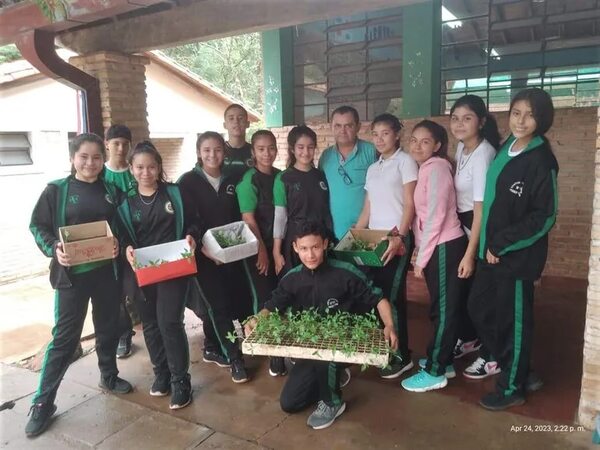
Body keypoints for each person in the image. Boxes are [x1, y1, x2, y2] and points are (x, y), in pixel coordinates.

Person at [26, 133, 133, 437]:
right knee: (64, 338)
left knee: (108, 326)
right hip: (72, 277)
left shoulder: (111, 191)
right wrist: (54, 249)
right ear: (73, 158)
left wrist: (118, 245)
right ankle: (42, 402)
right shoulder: (56, 191)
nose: (90, 163)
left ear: (103, 160)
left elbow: (124, 228)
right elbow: (38, 226)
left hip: (106, 275)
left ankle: (109, 376)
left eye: (96, 157)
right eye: (84, 157)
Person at [244, 221, 398, 430]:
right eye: (304, 249)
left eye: (315, 247)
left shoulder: (345, 272)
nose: (310, 255)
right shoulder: (292, 279)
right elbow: (271, 307)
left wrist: (389, 325)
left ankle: (332, 402)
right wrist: (255, 320)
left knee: (327, 358)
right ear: (295, 247)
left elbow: (379, 299)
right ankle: (331, 377)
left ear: (325, 244)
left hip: (343, 343)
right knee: (290, 403)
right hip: (312, 348)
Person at [468, 88, 558, 411]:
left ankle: (512, 387)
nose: (521, 120)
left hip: (515, 258)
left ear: (542, 119)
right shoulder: (508, 147)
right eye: (516, 112)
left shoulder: (541, 159)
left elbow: (544, 215)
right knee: (479, 309)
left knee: (513, 322)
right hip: (491, 254)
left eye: (530, 114)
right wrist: (486, 246)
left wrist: (502, 243)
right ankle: (520, 367)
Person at [118, 141, 197, 410]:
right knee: (150, 325)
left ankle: (180, 381)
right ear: (131, 169)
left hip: (174, 268)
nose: (146, 172)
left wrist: (192, 236)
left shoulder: (174, 193)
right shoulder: (126, 203)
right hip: (142, 271)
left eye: (151, 166)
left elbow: (194, 221)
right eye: (139, 167)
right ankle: (161, 374)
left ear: (159, 167)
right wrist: (127, 248)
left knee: (169, 323)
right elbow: (121, 235)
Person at [178, 131, 250, 383]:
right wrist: (203, 248)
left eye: (218, 149)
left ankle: (228, 345)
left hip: (232, 253)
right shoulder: (186, 182)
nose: (212, 155)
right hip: (204, 256)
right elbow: (186, 220)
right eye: (207, 150)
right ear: (199, 152)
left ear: (224, 152)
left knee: (236, 301)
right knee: (217, 306)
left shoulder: (232, 180)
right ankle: (234, 359)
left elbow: (240, 217)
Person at [401, 121, 467, 393]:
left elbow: (437, 215)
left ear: (438, 145)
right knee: (442, 307)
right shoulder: (427, 168)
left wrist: (421, 257)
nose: (417, 145)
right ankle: (445, 360)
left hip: (444, 247)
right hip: (438, 246)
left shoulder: (437, 168)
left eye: (425, 141)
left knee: (444, 310)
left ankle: (436, 371)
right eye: (414, 140)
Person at [355, 113, 418, 379]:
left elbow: (410, 203)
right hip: (374, 240)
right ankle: (386, 346)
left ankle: (401, 356)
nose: (380, 139)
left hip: (396, 238)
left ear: (397, 135)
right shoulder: (374, 167)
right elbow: (368, 206)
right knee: (378, 295)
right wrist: (355, 234)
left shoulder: (405, 162)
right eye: (375, 134)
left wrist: (400, 237)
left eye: (385, 133)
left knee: (392, 296)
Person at [448, 95, 501, 379]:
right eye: (455, 118)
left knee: (481, 300)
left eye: (467, 118)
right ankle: (470, 340)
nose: (459, 124)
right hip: (465, 224)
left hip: (479, 229)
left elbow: (481, 210)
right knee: (466, 292)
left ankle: (492, 357)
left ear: (481, 122)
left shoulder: (484, 154)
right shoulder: (462, 147)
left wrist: (471, 253)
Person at [236, 130, 286, 376]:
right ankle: (272, 353)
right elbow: (249, 219)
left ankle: (282, 346)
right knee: (264, 298)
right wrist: (262, 251)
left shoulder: (280, 176)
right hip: (258, 250)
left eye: (271, 148)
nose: (267, 153)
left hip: (279, 247)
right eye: (261, 149)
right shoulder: (249, 181)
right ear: (253, 152)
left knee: (281, 296)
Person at [273, 125, 333, 275]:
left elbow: (326, 210)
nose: (306, 152)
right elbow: (280, 217)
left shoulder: (320, 175)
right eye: (301, 147)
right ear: (292, 149)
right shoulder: (283, 178)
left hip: (320, 241)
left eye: (310, 147)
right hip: (296, 242)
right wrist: (276, 250)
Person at [103, 124, 138, 359]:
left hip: (137, 240)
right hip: (109, 243)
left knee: (135, 289)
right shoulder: (100, 174)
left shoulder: (135, 170)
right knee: (113, 292)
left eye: (125, 143)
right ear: (107, 144)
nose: (121, 148)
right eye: (116, 143)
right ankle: (123, 333)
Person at [318, 106, 377, 240]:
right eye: (338, 125)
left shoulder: (371, 152)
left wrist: (362, 225)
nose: (342, 131)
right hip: (334, 233)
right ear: (331, 127)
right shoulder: (326, 157)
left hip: (367, 231)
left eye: (348, 126)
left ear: (358, 127)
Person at [223, 103, 253, 183]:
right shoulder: (218, 151)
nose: (236, 122)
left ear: (248, 124)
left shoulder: (256, 152)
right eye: (231, 118)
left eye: (240, 118)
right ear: (225, 125)